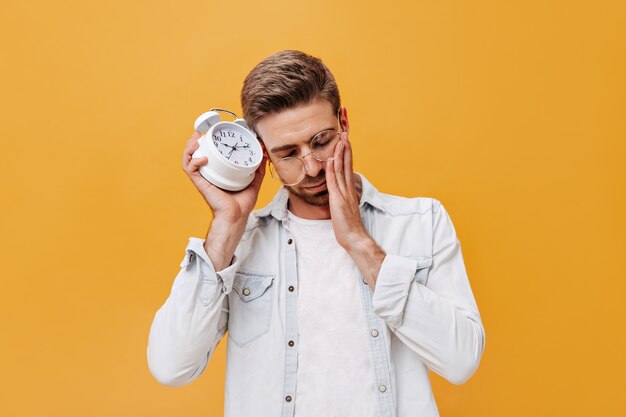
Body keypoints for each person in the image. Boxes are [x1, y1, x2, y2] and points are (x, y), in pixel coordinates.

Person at [147, 50, 485, 417]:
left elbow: (461, 360)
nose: (311, 167)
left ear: (343, 121)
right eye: (288, 153)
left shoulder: (421, 221)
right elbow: (170, 367)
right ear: (263, 155)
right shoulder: (239, 242)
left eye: (321, 141)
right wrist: (227, 224)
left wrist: (359, 242)